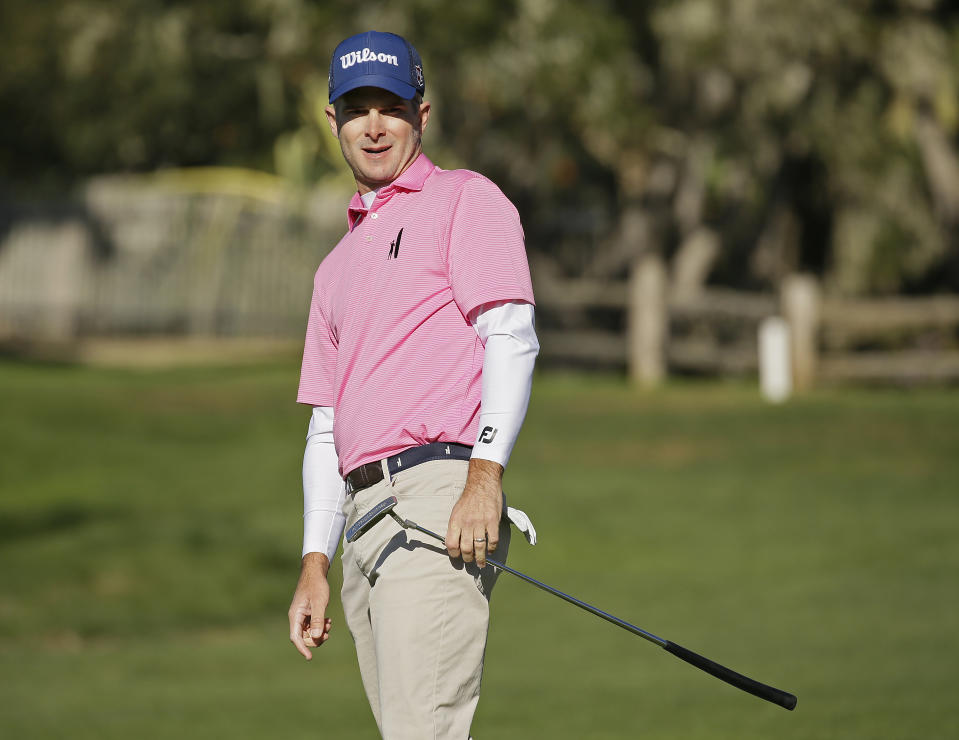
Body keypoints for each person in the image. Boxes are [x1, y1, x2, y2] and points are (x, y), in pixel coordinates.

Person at [286, 30, 539, 739]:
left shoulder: (464, 199)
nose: (373, 125)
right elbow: (327, 427)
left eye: (390, 107)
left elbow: (510, 336)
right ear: (332, 120)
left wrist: (484, 477)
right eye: (356, 108)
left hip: (437, 498)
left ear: (420, 117)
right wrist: (315, 562)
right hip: (362, 526)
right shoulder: (333, 268)